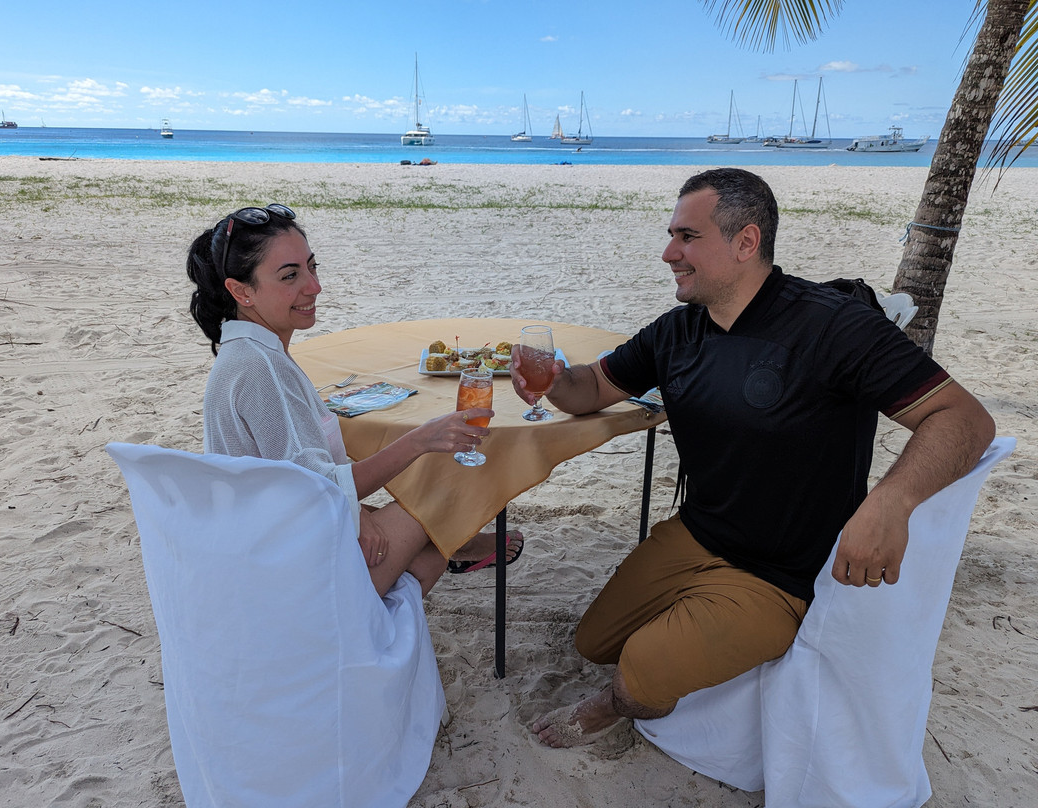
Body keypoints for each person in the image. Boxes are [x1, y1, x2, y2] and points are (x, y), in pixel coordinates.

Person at [511, 168, 995, 747]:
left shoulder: (835, 327)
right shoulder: (677, 332)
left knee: (640, 671)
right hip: (699, 532)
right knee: (593, 642)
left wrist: (894, 499)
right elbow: (592, 388)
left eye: (687, 237)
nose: (669, 253)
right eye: (672, 236)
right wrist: (553, 379)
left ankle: (617, 704)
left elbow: (965, 419)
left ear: (746, 242)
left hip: (784, 572)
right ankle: (688, 628)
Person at [186, 204, 523, 598]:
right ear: (241, 291)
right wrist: (420, 440)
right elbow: (318, 487)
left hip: (267, 536)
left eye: (312, 267)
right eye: (290, 276)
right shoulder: (261, 368)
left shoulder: (248, 351)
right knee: (441, 491)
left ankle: (447, 553)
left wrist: (360, 512)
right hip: (290, 568)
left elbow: (297, 468)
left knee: (427, 541)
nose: (313, 287)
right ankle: (366, 631)